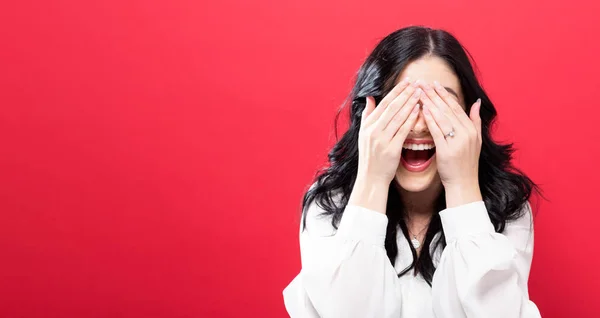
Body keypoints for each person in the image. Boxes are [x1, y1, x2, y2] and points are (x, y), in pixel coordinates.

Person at [282, 26, 542, 318]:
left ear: (470, 117)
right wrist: (373, 178)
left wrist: (462, 185)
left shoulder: (505, 208)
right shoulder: (329, 205)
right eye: (400, 105)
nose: (418, 126)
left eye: (439, 105)